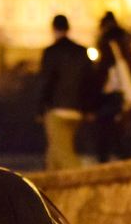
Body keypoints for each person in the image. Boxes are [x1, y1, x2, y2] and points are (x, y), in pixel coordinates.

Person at [37, 14, 94, 170]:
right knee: (54, 151)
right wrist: (88, 108)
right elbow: (89, 81)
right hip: (77, 109)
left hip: (57, 109)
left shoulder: (51, 52)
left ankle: (83, 181)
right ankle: (52, 187)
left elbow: (46, 82)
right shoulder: (82, 52)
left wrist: (40, 109)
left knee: (63, 152)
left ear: (53, 29)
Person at [94, 11, 131, 162]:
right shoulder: (125, 42)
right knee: (123, 138)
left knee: (107, 137)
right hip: (130, 94)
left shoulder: (108, 42)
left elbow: (105, 69)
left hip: (115, 95)